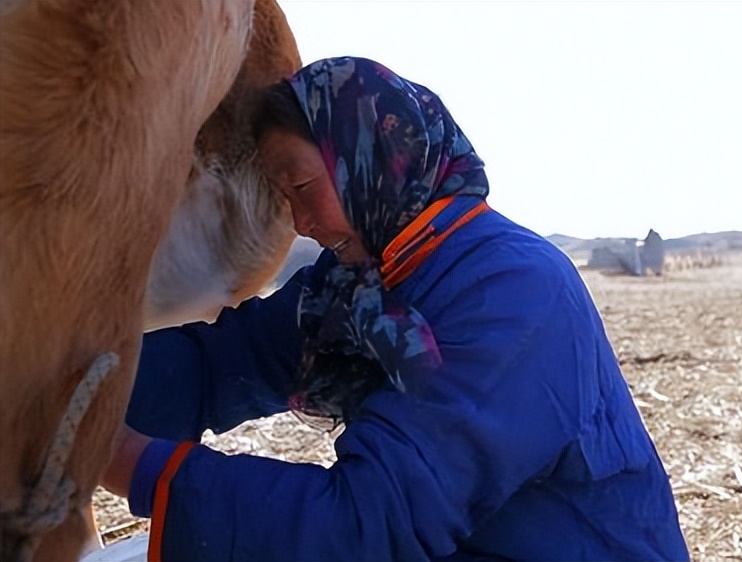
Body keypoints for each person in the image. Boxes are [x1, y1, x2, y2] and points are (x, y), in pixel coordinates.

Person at [102, 56, 689, 561]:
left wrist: (128, 461)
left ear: (375, 158)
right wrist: (65, 392)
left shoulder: (511, 296)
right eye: (286, 198)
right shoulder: (359, 284)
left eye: (303, 188)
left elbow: (371, 522)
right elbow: (223, 363)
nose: (302, 224)